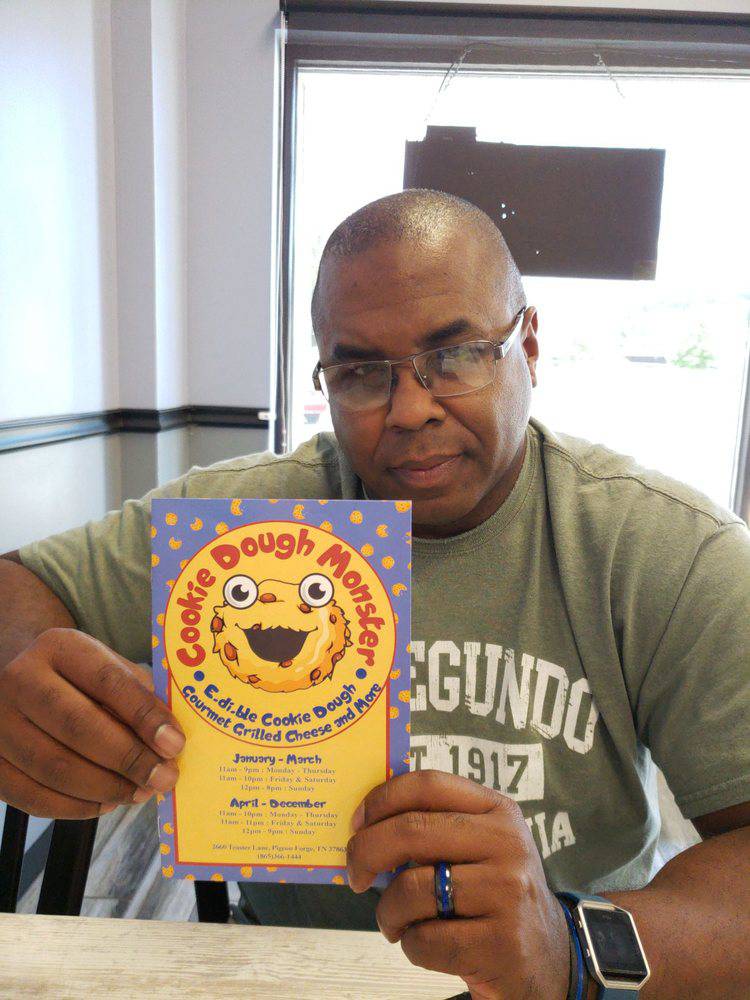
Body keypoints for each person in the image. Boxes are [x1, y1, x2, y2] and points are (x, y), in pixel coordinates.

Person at [1, 189, 748, 999]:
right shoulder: (235, 522)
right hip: (285, 972)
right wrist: (23, 682)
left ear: (529, 347)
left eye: (455, 355)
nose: (411, 409)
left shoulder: (665, 549)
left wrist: (570, 945)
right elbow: (19, 587)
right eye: (360, 373)